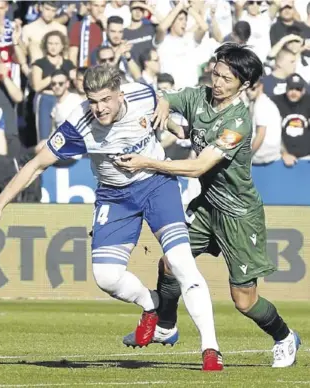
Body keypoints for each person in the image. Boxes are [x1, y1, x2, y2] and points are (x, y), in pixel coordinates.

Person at [0, 65, 223, 371]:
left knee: (182, 262)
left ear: (120, 94)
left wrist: (172, 124)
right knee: (106, 277)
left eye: (105, 99)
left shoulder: (142, 95)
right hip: (115, 196)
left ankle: (211, 350)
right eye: (92, 101)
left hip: (157, 183)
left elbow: (161, 99)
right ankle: (152, 305)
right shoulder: (78, 124)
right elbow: (36, 165)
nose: (99, 108)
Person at [116, 43, 301, 368]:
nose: (217, 82)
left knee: (243, 301)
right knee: (169, 265)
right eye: (216, 73)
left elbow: (199, 167)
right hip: (206, 208)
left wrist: (147, 162)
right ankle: (166, 326)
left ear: (243, 84)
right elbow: (165, 96)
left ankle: (285, 336)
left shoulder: (238, 122)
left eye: (226, 78)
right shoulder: (199, 96)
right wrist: (162, 106)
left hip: (239, 216)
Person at [272, 73, 310, 166]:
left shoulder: (308, 101)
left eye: (298, 89)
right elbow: (271, 133)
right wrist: (283, 153)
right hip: (282, 158)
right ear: (286, 89)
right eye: (291, 88)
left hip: (307, 157)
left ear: (304, 90)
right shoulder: (275, 102)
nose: (294, 92)